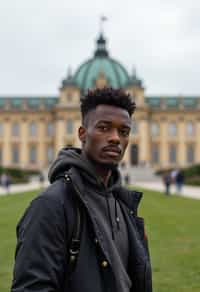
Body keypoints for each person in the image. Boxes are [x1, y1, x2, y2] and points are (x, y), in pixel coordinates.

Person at [11, 87, 152, 292]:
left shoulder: (122, 204)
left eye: (124, 131)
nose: (115, 138)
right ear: (82, 133)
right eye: (104, 128)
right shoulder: (50, 206)